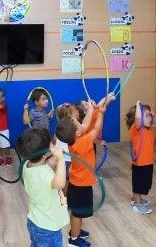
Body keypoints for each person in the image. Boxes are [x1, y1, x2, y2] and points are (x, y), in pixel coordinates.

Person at [56, 94, 115, 247]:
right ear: (78, 132)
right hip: (81, 185)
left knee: (77, 212)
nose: (81, 121)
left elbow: (87, 123)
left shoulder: (75, 139)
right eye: (77, 121)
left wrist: (91, 109)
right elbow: (95, 128)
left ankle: (75, 231)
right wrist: (100, 112)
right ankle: (73, 241)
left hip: (77, 182)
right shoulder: (83, 142)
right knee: (78, 213)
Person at [17, 128, 69, 247]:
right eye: (51, 142)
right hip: (48, 227)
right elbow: (60, 183)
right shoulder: (45, 175)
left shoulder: (27, 165)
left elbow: (44, 164)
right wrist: (61, 159)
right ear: (46, 152)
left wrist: (51, 158)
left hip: (35, 221)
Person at [126, 101, 154, 214]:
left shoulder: (148, 128)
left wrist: (150, 112)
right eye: (147, 116)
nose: (150, 118)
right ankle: (137, 205)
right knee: (138, 184)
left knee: (144, 183)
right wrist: (138, 105)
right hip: (140, 163)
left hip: (148, 162)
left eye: (149, 116)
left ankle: (137, 200)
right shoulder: (137, 128)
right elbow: (138, 118)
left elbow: (155, 119)